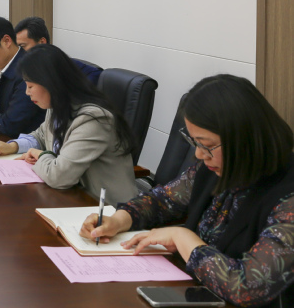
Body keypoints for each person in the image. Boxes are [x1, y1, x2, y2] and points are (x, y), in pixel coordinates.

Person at [81, 74, 294, 307]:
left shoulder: (288, 197)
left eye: (207, 145)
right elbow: (162, 200)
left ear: (244, 138)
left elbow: (248, 286)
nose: (199, 155)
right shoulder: (215, 167)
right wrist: (119, 220)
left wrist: (182, 237)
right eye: (195, 143)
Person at [0, 44, 137, 204]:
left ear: (51, 83)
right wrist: (13, 146)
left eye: (30, 86)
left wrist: (41, 155)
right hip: (73, 197)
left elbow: (59, 177)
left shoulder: (93, 119)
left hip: (107, 208)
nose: (27, 92)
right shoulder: (57, 106)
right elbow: (41, 135)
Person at [14, 16, 102, 84]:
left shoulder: (61, 64)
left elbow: (96, 74)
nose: (19, 51)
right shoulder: (23, 68)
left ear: (42, 42)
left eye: (22, 46)